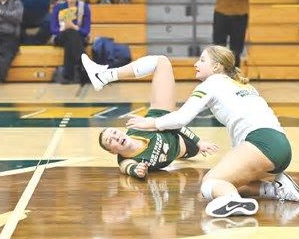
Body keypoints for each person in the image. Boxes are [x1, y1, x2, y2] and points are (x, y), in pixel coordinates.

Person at [82, 45, 299, 218]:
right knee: (231, 184)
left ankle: (233, 202)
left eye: (202, 60)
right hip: (279, 144)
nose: (196, 64)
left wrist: (148, 124)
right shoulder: (242, 84)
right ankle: (276, 188)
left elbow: (181, 118)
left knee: (210, 184)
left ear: (217, 67)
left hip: (261, 144)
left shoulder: (210, 84)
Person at [81, 53, 219, 179]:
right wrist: (138, 170)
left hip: (163, 118)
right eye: (111, 141)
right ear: (112, 152)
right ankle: (103, 76)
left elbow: (173, 124)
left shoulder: (138, 128)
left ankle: (104, 76)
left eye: (114, 132)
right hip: (186, 149)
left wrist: (198, 141)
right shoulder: (126, 160)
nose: (115, 137)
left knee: (162, 62)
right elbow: (128, 168)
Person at [50, 0, 90, 83]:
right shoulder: (58, 7)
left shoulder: (84, 7)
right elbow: (53, 29)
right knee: (69, 34)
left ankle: (68, 75)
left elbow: (86, 31)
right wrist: (63, 28)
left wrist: (73, 26)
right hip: (60, 36)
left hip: (78, 36)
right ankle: (85, 67)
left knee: (71, 36)